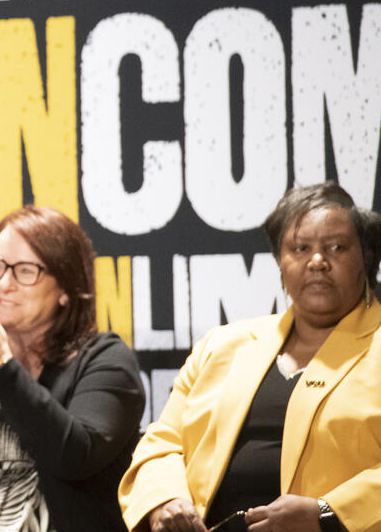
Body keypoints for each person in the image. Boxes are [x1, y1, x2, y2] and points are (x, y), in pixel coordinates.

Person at [119, 181, 381, 532]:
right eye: (300, 248)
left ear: (365, 256)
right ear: (279, 261)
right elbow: (163, 440)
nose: (317, 261)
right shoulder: (222, 344)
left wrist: (327, 514)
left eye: (337, 247)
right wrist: (164, 498)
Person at [0, 205, 144, 532]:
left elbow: (75, 457)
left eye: (25, 271)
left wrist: (2, 370)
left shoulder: (104, 360)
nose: (4, 283)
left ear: (65, 288)